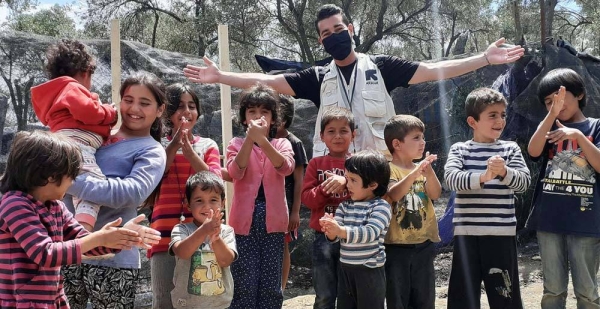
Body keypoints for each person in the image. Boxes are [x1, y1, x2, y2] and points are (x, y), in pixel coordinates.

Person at [183, 4, 524, 158]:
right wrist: (220, 76)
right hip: (332, 171)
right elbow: (266, 81)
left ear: (350, 29)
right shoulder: (317, 77)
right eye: (325, 33)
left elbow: (434, 70)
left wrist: (483, 58)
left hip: (380, 167)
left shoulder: (382, 67)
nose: (333, 36)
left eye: (338, 29)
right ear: (320, 41)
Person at [0, 130, 146, 308]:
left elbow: (82, 241)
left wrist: (118, 237)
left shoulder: (55, 207)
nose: (72, 183)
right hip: (20, 302)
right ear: (51, 176)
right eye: (71, 176)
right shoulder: (15, 204)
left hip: (51, 300)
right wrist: (98, 238)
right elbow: (44, 253)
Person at [62, 72, 168, 309]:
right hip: (67, 251)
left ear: (160, 110)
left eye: (145, 103)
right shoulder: (94, 137)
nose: (134, 108)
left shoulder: (151, 151)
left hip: (113, 260)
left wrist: (66, 180)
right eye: (128, 100)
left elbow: (130, 193)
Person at [444, 88, 531, 309]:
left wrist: (503, 172)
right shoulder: (460, 150)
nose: (500, 120)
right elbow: (451, 180)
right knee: (463, 297)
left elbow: (523, 183)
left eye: (503, 114)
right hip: (467, 237)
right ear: (473, 121)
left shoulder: (509, 150)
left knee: (505, 295)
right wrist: (484, 176)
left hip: (501, 235)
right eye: (492, 115)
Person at [525, 68, 600, 309]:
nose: (554, 103)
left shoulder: (595, 127)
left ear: (579, 94)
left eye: (559, 96)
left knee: (587, 292)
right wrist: (551, 115)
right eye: (548, 101)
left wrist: (577, 135)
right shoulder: (549, 129)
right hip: (549, 221)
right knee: (553, 290)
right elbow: (533, 151)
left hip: (587, 222)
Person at [148, 83, 222, 309]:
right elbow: (152, 181)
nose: (186, 111)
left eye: (192, 106)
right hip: (163, 235)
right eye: (180, 106)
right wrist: (173, 146)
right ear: (167, 112)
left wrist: (190, 153)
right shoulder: (155, 146)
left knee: (201, 299)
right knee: (164, 300)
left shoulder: (208, 145)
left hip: (203, 234)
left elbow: (216, 184)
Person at [31, 39, 117, 231]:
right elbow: (88, 112)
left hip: (66, 144)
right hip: (77, 145)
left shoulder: (57, 93)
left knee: (75, 189)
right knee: (94, 185)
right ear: (85, 72)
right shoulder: (71, 88)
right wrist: (110, 112)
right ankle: (84, 234)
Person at [226, 84, 295, 309]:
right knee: (244, 280)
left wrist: (262, 141)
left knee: (270, 283)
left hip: (274, 223)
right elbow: (235, 172)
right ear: (244, 118)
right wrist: (249, 140)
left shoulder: (282, 143)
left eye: (264, 112)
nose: (258, 116)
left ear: (273, 118)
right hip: (242, 224)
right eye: (252, 112)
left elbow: (286, 167)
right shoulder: (235, 144)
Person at [319, 150, 391, 309]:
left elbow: (371, 233)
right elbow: (336, 237)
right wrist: (330, 230)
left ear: (373, 184)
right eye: (346, 178)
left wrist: (340, 231)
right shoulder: (345, 206)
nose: (347, 184)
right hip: (346, 269)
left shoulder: (381, 206)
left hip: (370, 271)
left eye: (353, 180)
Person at [382, 115, 441, 309]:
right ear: (397, 144)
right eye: (416, 137)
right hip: (396, 248)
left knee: (425, 299)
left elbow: (435, 194)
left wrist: (429, 172)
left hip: (424, 245)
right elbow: (393, 194)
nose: (422, 142)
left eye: (423, 137)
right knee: (398, 299)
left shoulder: (421, 169)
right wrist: (414, 174)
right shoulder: (388, 169)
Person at [301, 107, 355, 309]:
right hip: (322, 236)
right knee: (324, 295)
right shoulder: (316, 164)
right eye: (331, 131)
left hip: (352, 236)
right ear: (322, 136)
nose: (338, 136)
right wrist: (325, 189)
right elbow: (308, 200)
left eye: (344, 130)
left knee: (349, 294)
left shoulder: (359, 163)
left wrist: (346, 181)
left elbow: (368, 194)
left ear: (353, 134)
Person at [169, 171, 237, 309]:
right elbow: (182, 252)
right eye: (199, 200)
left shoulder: (227, 231)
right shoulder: (181, 230)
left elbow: (225, 261)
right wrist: (204, 230)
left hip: (219, 304)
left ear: (222, 203)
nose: (207, 206)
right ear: (188, 204)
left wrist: (216, 238)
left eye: (213, 200)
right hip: (186, 304)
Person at [276, 95, 308, 291]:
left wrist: (295, 211)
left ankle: (281, 287)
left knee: (282, 245)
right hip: (265, 203)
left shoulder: (294, 142)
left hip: (286, 204)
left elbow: (299, 181)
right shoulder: (262, 139)